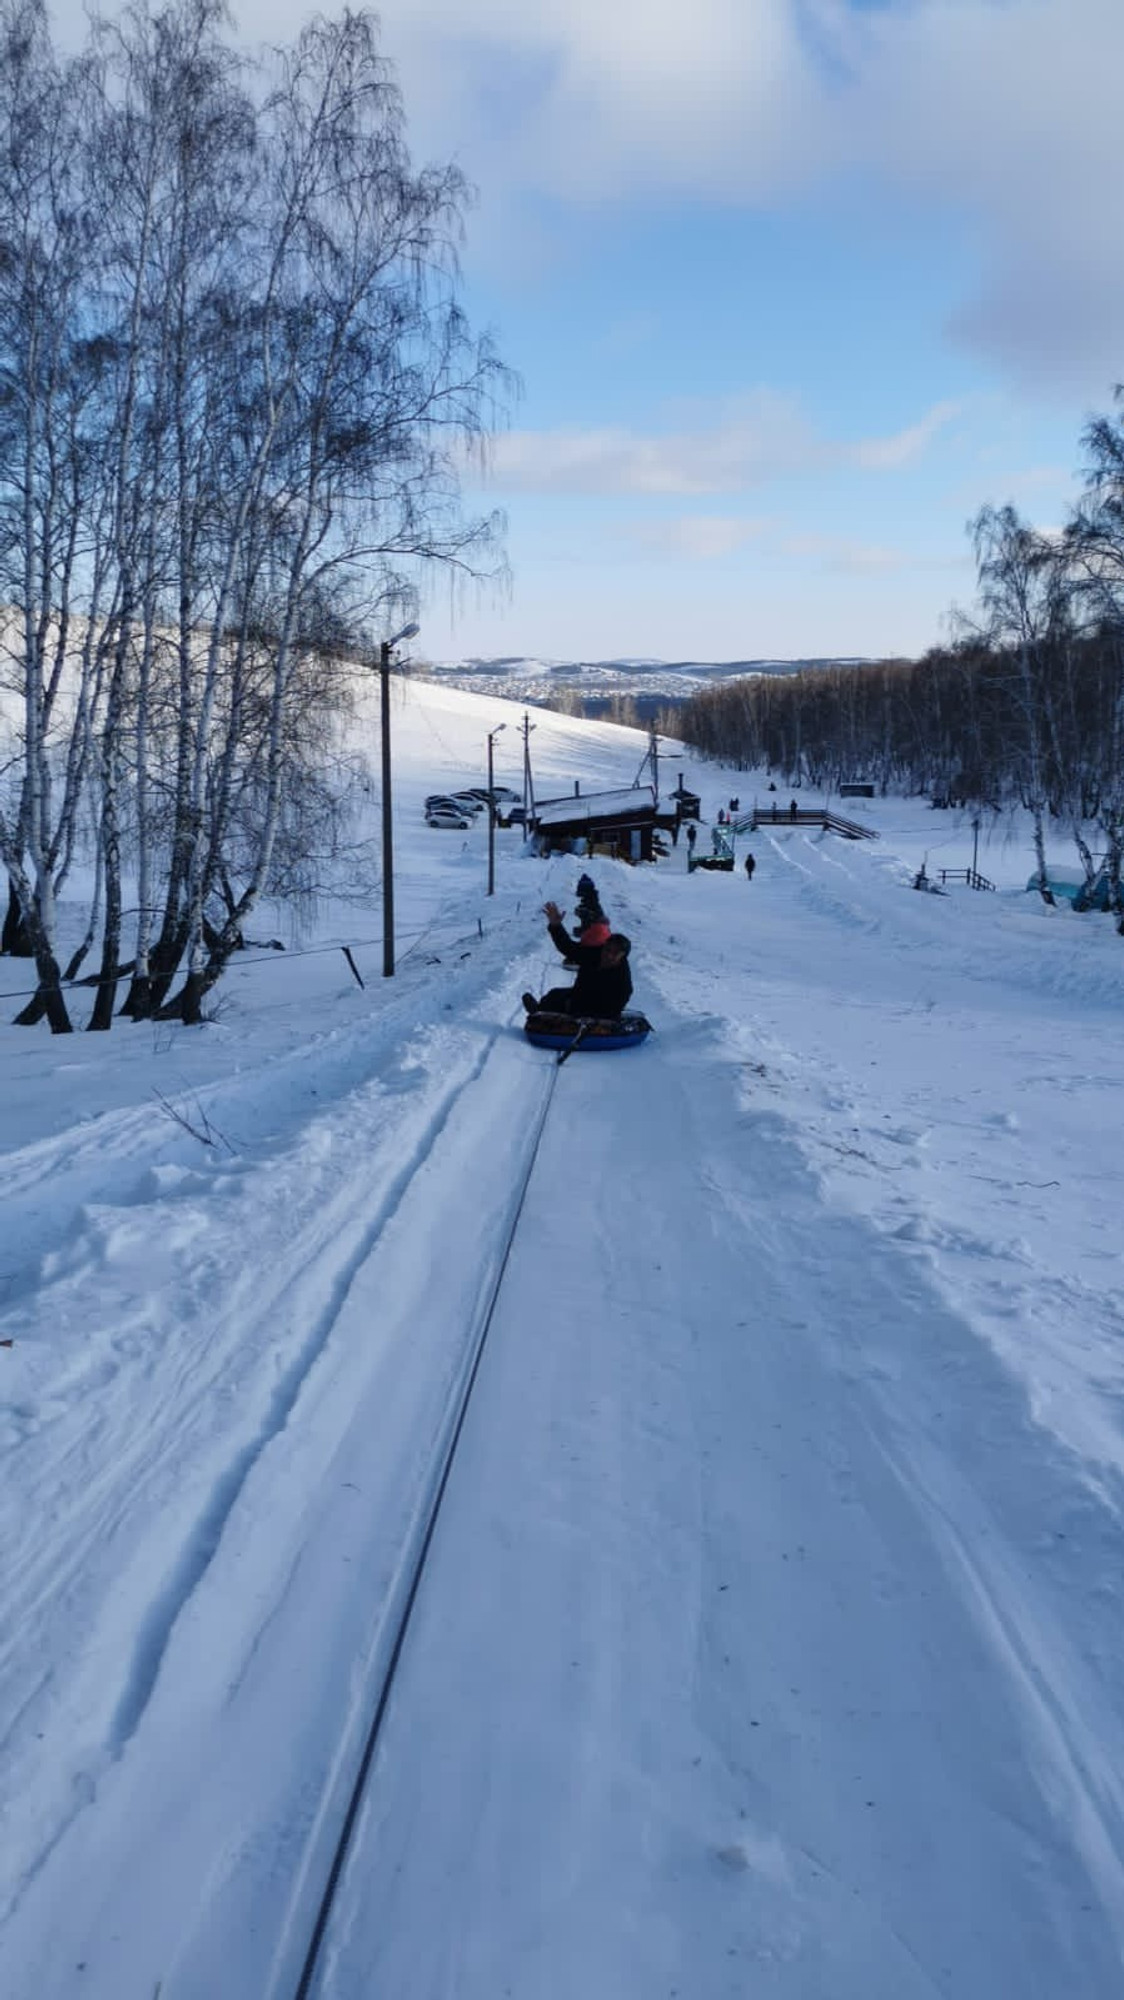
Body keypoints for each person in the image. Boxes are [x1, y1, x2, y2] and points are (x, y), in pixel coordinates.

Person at [523, 902, 633, 1018]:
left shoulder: (622, 976)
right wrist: (556, 926)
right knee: (554, 995)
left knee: (564, 1004)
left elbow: (618, 1002)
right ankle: (538, 1013)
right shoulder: (594, 953)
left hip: (596, 1007)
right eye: (608, 949)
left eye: (615, 953)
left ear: (623, 956)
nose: (609, 955)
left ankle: (547, 1018)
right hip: (580, 994)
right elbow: (569, 948)